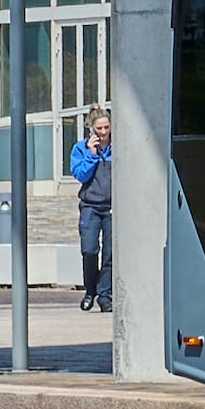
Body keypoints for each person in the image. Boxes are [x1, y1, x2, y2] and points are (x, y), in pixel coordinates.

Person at [69, 107, 114, 314]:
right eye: (99, 128)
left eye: (106, 127)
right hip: (90, 206)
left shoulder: (118, 148)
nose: (103, 132)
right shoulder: (80, 149)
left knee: (110, 253)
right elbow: (81, 175)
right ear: (91, 128)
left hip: (113, 207)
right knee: (89, 249)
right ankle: (90, 290)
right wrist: (92, 154)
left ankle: (105, 296)